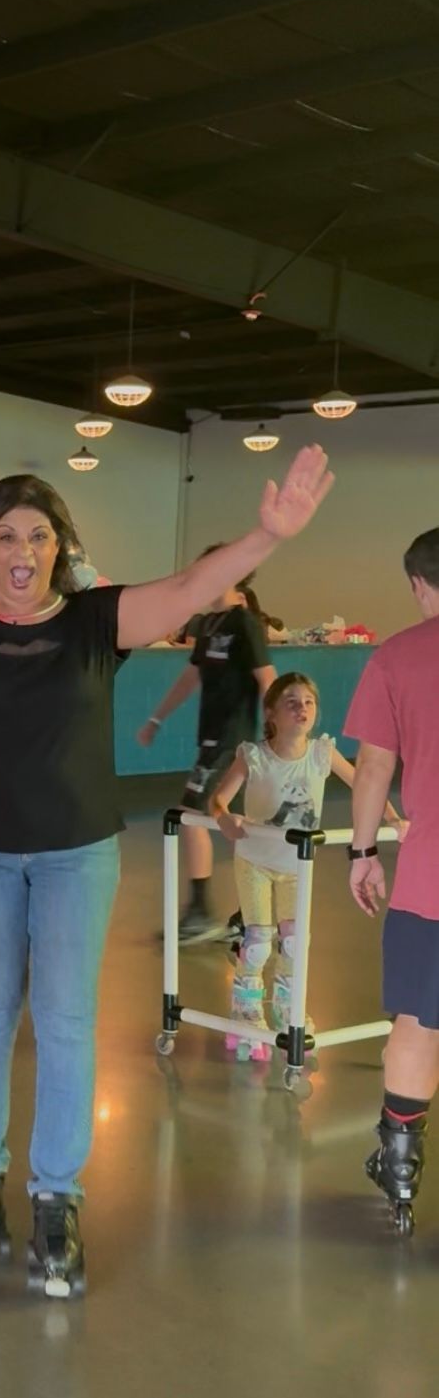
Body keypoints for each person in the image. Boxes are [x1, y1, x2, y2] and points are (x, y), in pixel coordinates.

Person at [0, 440, 333, 1298]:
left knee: (68, 1019)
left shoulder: (95, 619)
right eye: (5, 536)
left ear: (59, 548)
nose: (21, 552)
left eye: (38, 536)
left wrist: (267, 535)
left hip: (76, 850)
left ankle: (55, 1197)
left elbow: (190, 591)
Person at [210, 673, 407, 1060]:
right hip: (255, 862)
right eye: (291, 702)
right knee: (258, 943)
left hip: (297, 867)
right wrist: (224, 818)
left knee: (295, 942)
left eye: (308, 702)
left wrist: (393, 818)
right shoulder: (254, 756)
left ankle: (287, 1007)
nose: (302, 709)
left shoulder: (321, 754)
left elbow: (365, 782)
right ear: (271, 713)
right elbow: (218, 801)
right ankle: (246, 1011)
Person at [344, 526, 439, 1235]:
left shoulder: (397, 657)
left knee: (416, 1022)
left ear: (418, 584)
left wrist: (363, 850)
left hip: (430, 882)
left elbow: (374, 767)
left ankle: (401, 1169)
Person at [137, 549, 277, 944]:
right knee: (221, 821)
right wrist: (156, 718)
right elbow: (191, 676)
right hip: (210, 738)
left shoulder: (244, 623)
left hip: (232, 740)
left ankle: (201, 914)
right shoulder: (209, 623)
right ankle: (245, 911)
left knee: (191, 814)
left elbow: (268, 678)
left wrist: (278, 733)